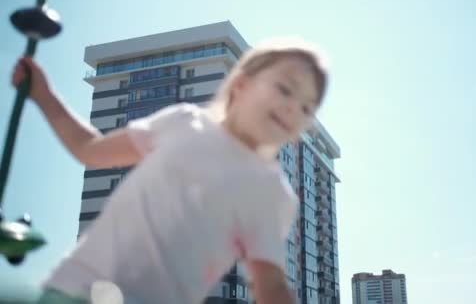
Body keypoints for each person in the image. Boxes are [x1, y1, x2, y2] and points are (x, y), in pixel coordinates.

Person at [10, 37, 329, 304]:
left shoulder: (271, 193)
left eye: (306, 108)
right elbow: (89, 150)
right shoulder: (182, 122)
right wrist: (43, 93)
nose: (293, 108)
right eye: (286, 89)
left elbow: (270, 284)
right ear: (242, 84)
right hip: (74, 288)